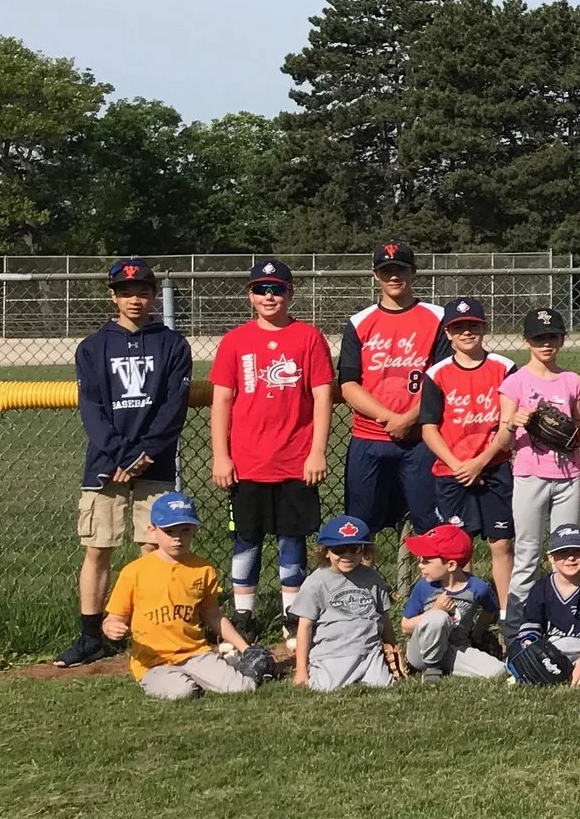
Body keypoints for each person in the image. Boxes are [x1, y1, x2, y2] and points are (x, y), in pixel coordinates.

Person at [61, 258, 191, 667]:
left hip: (154, 461)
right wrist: (121, 454)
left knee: (152, 548)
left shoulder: (172, 344)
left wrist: (144, 454)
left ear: (154, 295)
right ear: (112, 296)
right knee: (98, 548)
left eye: (143, 291)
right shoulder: (93, 347)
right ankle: (91, 635)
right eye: (125, 292)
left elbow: (173, 408)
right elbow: (93, 409)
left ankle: (148, 631)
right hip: (106, 463)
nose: (135, 299)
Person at [209, 259, 334, 629]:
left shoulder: (308, 337)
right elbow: (222, 401)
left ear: (290, 293)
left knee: (291, 540)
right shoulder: (235, 341)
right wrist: (221, 456)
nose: (269, 295)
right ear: (250, 295)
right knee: (246, 540)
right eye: (262, 289)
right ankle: (244, 613)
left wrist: (317, 451)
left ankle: (292, 614)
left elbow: (323, 398)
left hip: (295, 460)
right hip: (247, 461)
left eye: (277, 288)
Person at [336, 243, 451, 542]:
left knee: (432, 526)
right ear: (376, 276)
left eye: (400, 269)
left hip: (421, 440)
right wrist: (390, 418)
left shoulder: (438, 317)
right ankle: (363, 589)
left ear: (413, 273)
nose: (394, 276)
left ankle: (433, 588)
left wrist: (410, 419)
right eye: (386, 271)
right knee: (359, 528)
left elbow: (443, 380)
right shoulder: (360, 322)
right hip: (368, 438)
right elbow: (348, 384)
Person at [416, 297, 518, 609]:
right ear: (448, 333)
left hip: (493, 467)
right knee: (459, 548)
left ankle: (505, 614)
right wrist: (457, 464)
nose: (466, 332)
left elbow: (508, 424)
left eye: (472, 325)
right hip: (452, 472)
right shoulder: (437, 373)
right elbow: (429, 427)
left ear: (484, 327)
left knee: (501, 543)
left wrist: (480, 461)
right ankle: (466, 615)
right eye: (458, 327)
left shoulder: (504, 367)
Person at [103, 494, 258, 700]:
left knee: (243, 688)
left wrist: (245, 648)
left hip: (195, 653)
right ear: (152, 531)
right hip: (153, 661)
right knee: (183, 691)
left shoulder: (203, 568)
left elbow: (213, 615)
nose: (177, 537)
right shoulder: (134, 572)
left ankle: (221, 666)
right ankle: (191, 676)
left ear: (195, 529)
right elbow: (114, 618)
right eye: (169, 531)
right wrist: (110, 627)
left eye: (185, 530)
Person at [502, 308, 580, 611]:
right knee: (527, 551)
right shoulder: (515, 382)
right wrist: (513, 422)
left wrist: (571, 432)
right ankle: (517, 625)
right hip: (529, 475)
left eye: (552, 337)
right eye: (539, 338)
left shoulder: (572, 380)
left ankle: (564, 618)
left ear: (562, 339)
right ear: (526, 341)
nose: (546, 344)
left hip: (568, 476)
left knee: (567, 550)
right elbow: (502, 440)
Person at [292, 515, 395, 690]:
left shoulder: (372, 578)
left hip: (369, 652)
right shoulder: (316, 582)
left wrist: (393, 646)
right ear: (326, 551)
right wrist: (301, 669)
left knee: (384, 686)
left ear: (364, 550)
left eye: (354, 548)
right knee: (323, 689)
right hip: (333, 653)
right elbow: (305, 627)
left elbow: (383, 618)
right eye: (339, 550)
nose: (347, 555)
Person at [512, 523, 580, 684]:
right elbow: (530, 630)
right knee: (522, 656)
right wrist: (531, 653)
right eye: (563, 553)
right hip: (550, 647)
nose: (571, 558)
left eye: (577, 551)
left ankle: (553, 675)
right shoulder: (541, 588)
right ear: (551, 557)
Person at [399, 523, 503, 681]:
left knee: (498, 671)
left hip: (454, 649)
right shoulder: (424, 587)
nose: (420, 565)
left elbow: (490, 611)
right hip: (420, 652)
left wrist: (477, 635)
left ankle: (445, 666)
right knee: (438, 618)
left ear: (451, 564)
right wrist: (434, 610)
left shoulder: (478, 588)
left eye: (427, 561)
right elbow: (405, 627)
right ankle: (432, 669)